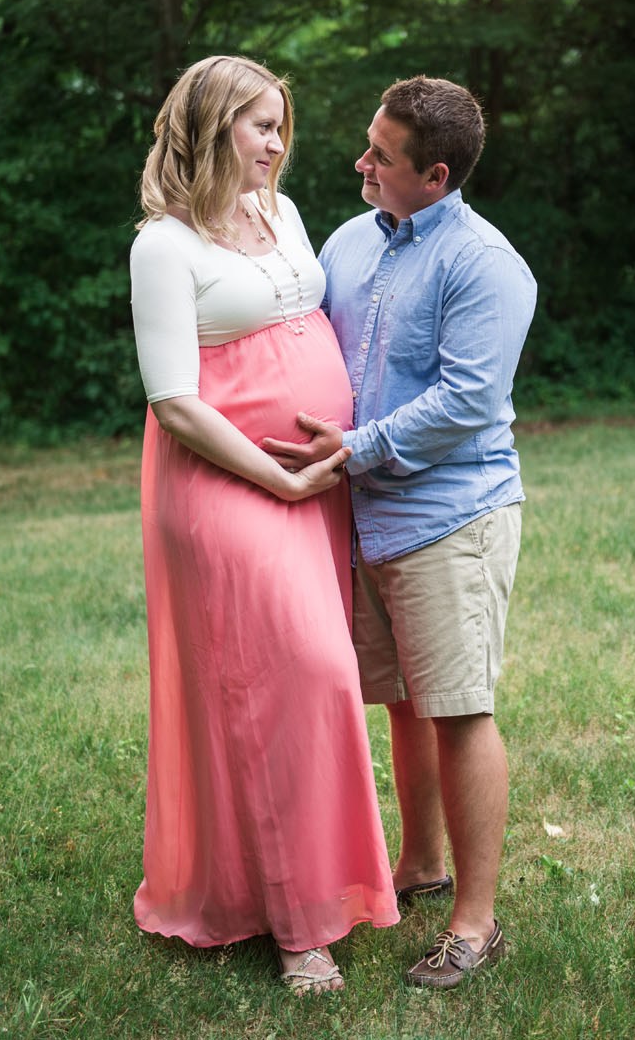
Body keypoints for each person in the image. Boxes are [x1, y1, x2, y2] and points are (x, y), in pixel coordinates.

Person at [129, 55, 399, 996]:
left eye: (282, 126)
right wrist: (276, 483)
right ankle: (294, 924)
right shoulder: (163, 246)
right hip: (222, 487)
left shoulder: (278, 213)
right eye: (260, 127)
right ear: (209, 127)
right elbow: (175, 403)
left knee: (297, 689)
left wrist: (326, 462)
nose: (279, 145)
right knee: (292, 681)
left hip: (308, 485)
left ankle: (313, 881)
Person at [264, 75, 536, 989]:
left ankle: (475, 922)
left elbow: (467, 403)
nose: (360, 162)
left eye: (381, 156)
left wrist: (355, 449)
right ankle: (419, 863)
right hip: (360, 515)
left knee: (458, 709)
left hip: (448, 515)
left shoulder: (484, 264)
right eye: (368, 143)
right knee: (405, 702)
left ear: (437, 174)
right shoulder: (346, 240)